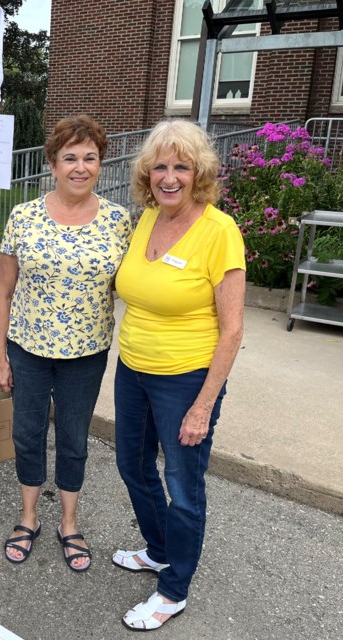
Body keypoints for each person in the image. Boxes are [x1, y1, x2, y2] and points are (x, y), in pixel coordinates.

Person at [111, 119, 246, 630]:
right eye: (160, 167)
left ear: (199, 173)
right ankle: (160, 549)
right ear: (148, 174)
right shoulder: (146, 217)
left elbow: (232, 330)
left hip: (187, 379)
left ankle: (174, 589)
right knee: (133, 466)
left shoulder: (219, 230)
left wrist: (203, 405)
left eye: (181, 167)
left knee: (183, 485)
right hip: (133, 370)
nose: (170, 177)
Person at [0, 115, 133, 572]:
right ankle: (29, 516)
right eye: (69, 157)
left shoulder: (118, 221)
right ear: (52, 163)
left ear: (100, 163)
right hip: (28, 350)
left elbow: (133, 286)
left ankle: (69, 523)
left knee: (74, 439)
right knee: (27, 434)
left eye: (89, 157)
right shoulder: (24, 217)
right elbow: (3, 292)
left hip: (86, 355)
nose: (80, 166)